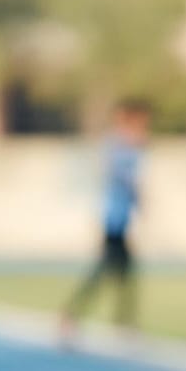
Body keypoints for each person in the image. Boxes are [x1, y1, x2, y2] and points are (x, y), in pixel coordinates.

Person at [60, 98, 151, 341]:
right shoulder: (119, 146)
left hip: (123, 219)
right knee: (105, 271)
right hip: (113, 219)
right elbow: (121, 180)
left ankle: (122, 321)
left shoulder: (133, 147)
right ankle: (73, 314)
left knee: (125, 271)